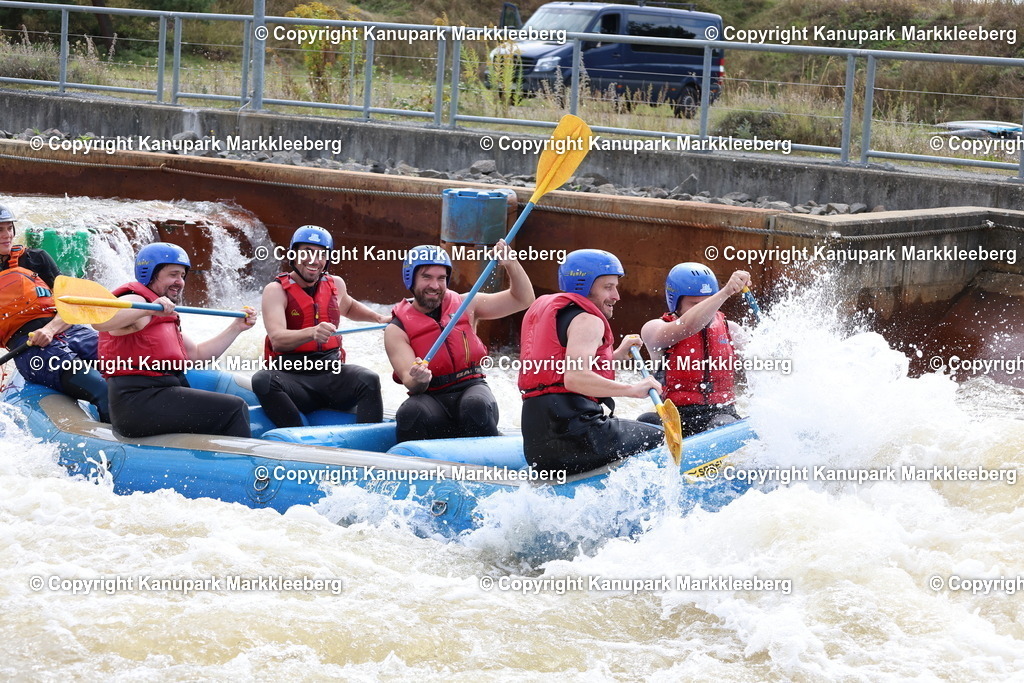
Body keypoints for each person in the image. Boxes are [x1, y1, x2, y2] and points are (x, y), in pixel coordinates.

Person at [519, 249, 664, 476]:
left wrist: (616, 355)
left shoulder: (553, 312)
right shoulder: (588, 320)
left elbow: (564, 370)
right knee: (660, 437)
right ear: (584, 286)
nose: (616, 296)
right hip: (576, 436)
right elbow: (575, 378)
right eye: (608, 287)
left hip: (538, 443)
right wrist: (633, 389)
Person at [93, 242, 258, 438]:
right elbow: (100, 321)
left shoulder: (162, 312)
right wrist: (146, 309)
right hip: (136, 402)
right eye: (173, 274)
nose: (179, 282)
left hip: (162, 394)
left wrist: (236, 328)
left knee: (225, 408)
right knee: (233, 409)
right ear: (150, 274)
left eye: (182, 275)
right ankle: (239, 458)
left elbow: (197, 355)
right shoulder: (137, 301)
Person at [385, 241, 534, 442]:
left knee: (475, 406)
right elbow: (410, 382)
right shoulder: (396, 330)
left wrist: (511, 264)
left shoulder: (467, 304)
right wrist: (419, 379)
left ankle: (486, 459)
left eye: (441, 278)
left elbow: (523, 299)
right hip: (431, 398)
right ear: (410, 278)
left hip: (471, 388)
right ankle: (412, 461)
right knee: (409, 413)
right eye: (426, 277)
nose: (435, 285)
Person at [253, 225, 387, 428]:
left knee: (369, 379)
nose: (314, 260)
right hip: (294, 379)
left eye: (321, 254)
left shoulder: (336, 284)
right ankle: (296, 437)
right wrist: (312, 333)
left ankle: (369, 438)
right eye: (306, 252)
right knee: (262, 380)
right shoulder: (275, 291)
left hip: (331, 375)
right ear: (293, 254)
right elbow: (278, 340)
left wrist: (378, 318)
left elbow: (349, 307)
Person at [0, 204, 109, 421]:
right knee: (104, 389)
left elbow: (70, 304)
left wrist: (50, 329)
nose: (7, 235)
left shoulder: (36, 258)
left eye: (9, 228)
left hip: (69, 330)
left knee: (133, 368)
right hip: (28, 347)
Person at [640, 262, 750, 437]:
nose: (705, 310)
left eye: (709, 302)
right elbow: (688, 326)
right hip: (674, 417)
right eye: (695, 304)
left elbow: (764, 370)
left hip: (721, 414)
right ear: (675, 303)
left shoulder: (733, 330)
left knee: (721, 426)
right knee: (645, 421)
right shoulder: (654, 329)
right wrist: (726, 292)